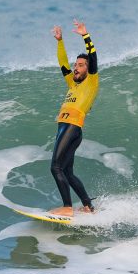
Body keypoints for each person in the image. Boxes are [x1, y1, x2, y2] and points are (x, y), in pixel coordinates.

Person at [49, 19, 98, 216]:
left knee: (55, 167)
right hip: (65, 127)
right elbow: (62, 62)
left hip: (72, 126)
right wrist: (60, 41)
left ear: (87, 69)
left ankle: (67, 207)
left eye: (80, 65)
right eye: (75, 65)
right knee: (67, 172)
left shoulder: (91, 82)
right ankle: (87, 205)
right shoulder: (73, 84)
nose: (76, 68)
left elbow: (93, 58)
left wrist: (86, 36)